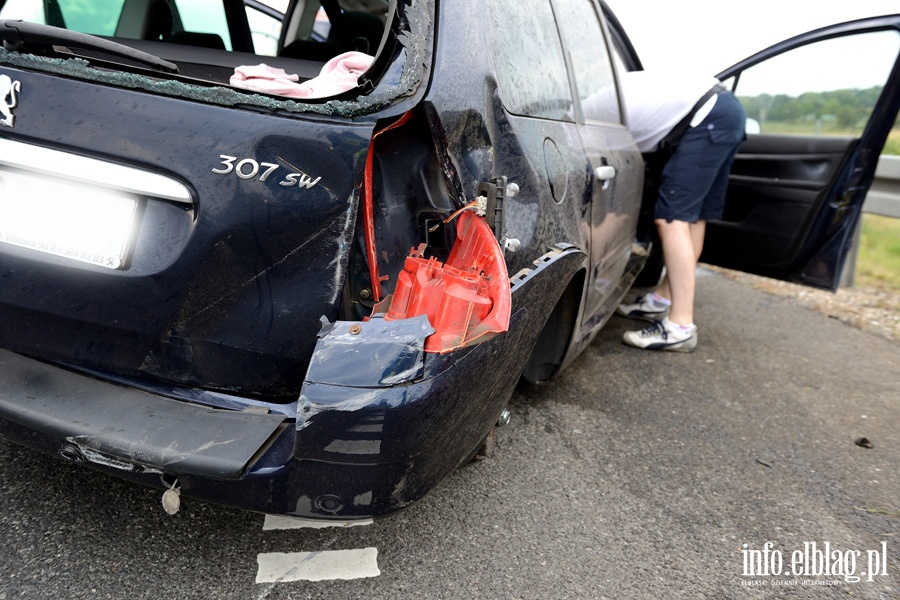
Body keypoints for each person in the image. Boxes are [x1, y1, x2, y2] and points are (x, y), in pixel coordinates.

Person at [616, 70, 746, 352]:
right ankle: (662, 299)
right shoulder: (603, 86)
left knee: (670, 219)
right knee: (692, 217)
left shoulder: (589, 103)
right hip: (724, 110)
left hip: (705, 117)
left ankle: (680, 326)